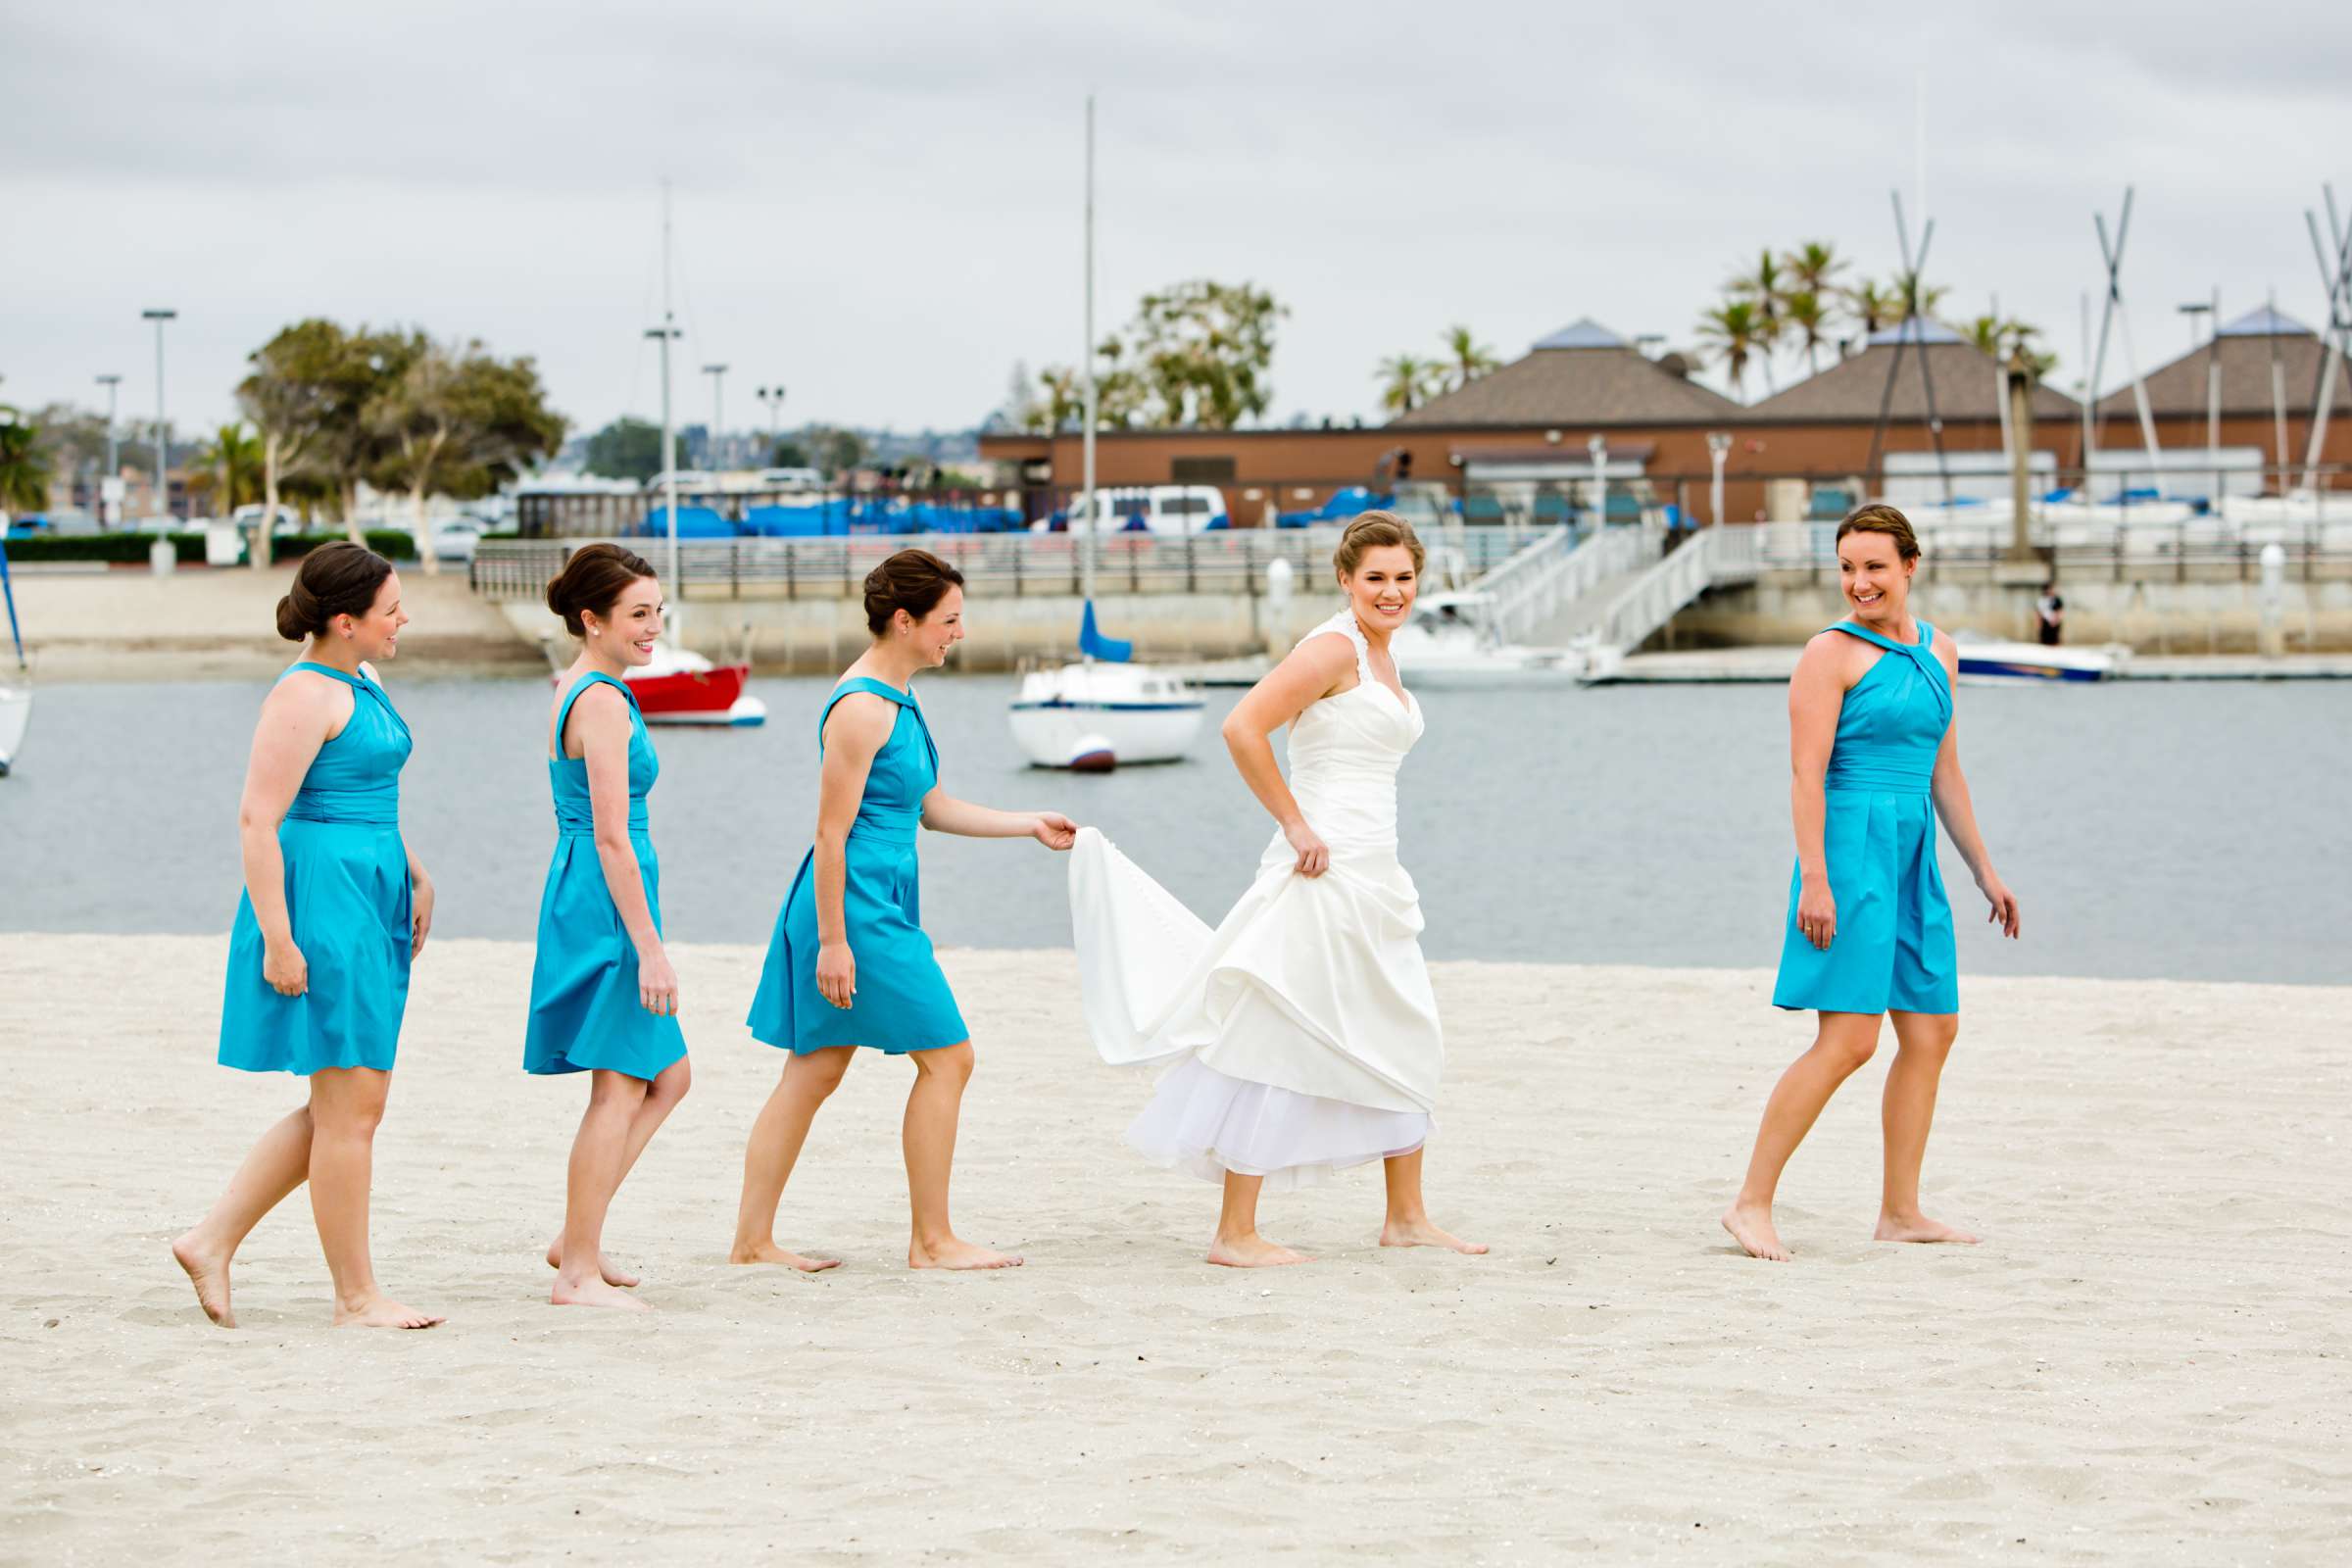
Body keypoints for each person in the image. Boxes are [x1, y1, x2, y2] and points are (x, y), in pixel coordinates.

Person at [1068, 512, 1483, 1267]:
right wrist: (1295, 824)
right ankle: (1235, 1231)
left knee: (1404, 1024)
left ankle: (1407, 1216)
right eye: (1376, 579)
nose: (1392, 592)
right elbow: (1242, 727)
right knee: (1277, 1029)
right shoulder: (1332, 647)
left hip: (1376, 868)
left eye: (1403, 578)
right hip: (1321, 865)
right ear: (1346, 580)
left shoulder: (1385, 654)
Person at [731, 549, 1076, 1271]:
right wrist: (832, 941)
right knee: (949, 1058)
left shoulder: (899, 698)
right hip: (852, 909)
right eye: (949, 621)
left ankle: (754, 1244)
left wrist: (1029, 823)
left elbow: (932, 809)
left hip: (878, 898)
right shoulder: (860, 708)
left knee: (816, 1069)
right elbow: (829, 834)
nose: (959, 634)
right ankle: (930, 1241)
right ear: (904, 620)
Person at [1723, 503, 2021, 1263]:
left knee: (1932, 1029)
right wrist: (1814, 881)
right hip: (1850, 846)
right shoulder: (1829, 653)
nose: (1860, 583)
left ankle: (1901, 1210)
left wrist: (1984, 870)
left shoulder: (1940, 650)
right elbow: (1804, 773)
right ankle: (1750, 1204)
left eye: (1875, 567)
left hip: (1913, 848)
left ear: (1910, 567)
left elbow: (1944, 769)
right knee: (1850, 1038)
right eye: (1849, 568)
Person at [172, 542, 442, 1329]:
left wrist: (417, 872)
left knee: (349, 1101)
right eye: (392, 610)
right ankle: (355, 1296)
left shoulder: (363, 678)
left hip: (373, 888)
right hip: (322, 901)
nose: (404, 619)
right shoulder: (302, 694)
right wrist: (278, 939)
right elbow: (260, 818)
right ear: (346, 621)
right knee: (351, 1102)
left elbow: (371, 791)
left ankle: (211, 1238)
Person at [526, 544, 693, 1310]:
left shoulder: (590, 686)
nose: (652, 627)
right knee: (620, 1086)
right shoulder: (598, 699)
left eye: (657, 612)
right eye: (637, 615)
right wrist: (650, 949)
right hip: (605, 900)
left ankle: (576, 1237)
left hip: (602, 891)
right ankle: (576, 1273)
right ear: (592, 620)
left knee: (668, 1076)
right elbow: (611, 836)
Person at [2034, 581, 2065, 647]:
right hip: (2045, 622)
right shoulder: (2041, 600)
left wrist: (2056, 620)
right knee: (2044, 641)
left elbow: (2060, 611)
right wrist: (2039, 623)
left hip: (2054, 622)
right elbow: (2038, 612)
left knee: (2055, 640)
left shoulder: (2056, 599)